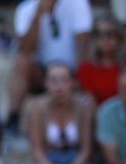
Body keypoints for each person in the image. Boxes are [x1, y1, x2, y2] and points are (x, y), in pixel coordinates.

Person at [8, 0, 94, 129]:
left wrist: (78, 77)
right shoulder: (25, 8)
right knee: (22, 61)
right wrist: (38, 14)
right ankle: (13, 117)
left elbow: (83, 47)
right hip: (41, 72)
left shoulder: (79, 3)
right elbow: (26, 48)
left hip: (70, 71)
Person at [77, 15, 126, 105]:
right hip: (99, 114)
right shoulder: (87, 68)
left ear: (119, 37)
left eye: (109, 34)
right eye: (98, 34)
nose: (104, 39)